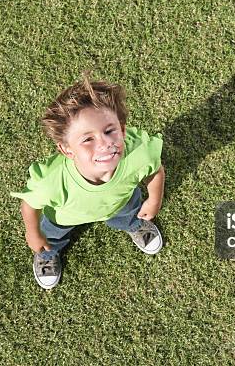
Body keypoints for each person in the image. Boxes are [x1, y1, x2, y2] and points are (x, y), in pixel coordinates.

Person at [10, 72, 165, 290]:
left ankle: (134, 224)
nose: (104, 143)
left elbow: (155, 170)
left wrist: (153, 201)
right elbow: (30, 205)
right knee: (51, 236)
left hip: (121, 203)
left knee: (129, 214)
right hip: (63, 217)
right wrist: (33, 233)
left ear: (122, 129)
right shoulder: (52, 181)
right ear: (67, 149)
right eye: (88, 139)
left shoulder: (138, 153)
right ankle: (49, 252)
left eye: (110, 130)